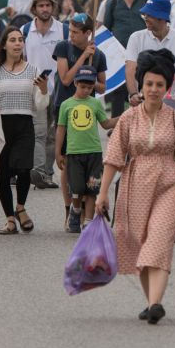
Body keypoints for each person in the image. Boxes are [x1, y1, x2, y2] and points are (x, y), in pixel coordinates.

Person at [95, 50, 175, 324]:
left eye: (160, 85)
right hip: (135, 184)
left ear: (168, 87)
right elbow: (114, 158)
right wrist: (102, 193)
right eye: (149, 84)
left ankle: (155, 303)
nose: (154, 90)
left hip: (170, 184)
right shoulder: (128, 118)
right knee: (139, 243)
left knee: (158, 241)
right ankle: (152, 302)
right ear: (141, 86)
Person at [0, 28, 45, 236]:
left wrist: (44, 90)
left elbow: (40, 104)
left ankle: (21, 207)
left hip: (24, 124)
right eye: (13, 40)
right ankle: (10, 219)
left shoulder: (33, 70)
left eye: (20, 40)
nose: (18, 44)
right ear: (4, 45)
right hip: (1, 126)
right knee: (3, 173)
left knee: (24, 168)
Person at [56, 66, 118, 233]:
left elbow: (105, 124)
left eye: (90, 88)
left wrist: (125, 116)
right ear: (75, 83)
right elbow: (61, 129)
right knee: (76, 189)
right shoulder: (66, 105)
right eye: (83, 87)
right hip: (74, 153)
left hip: (94, 153)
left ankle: (88, 223)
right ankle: (76, 211)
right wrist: (58, 153)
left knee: (92, 189)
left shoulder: (95, 103)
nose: (86, 90)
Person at [22, 0, 66, 190]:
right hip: (35, 92)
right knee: (37, 133)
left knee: (53, 135)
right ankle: (38, 172)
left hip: (59, 91)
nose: (45, 9)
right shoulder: (24, 31)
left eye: (48, 5)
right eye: (41, 5)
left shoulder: (63, 30)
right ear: (34, 8)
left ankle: (47, 174)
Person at [125, 0, 175, 106]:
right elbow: (130, 68)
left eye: (150, 15)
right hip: (142, 101)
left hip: (170, 101)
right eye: (145, 14)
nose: (145, 18)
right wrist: (133, 94)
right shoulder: (136, 37)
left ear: (162, 17)